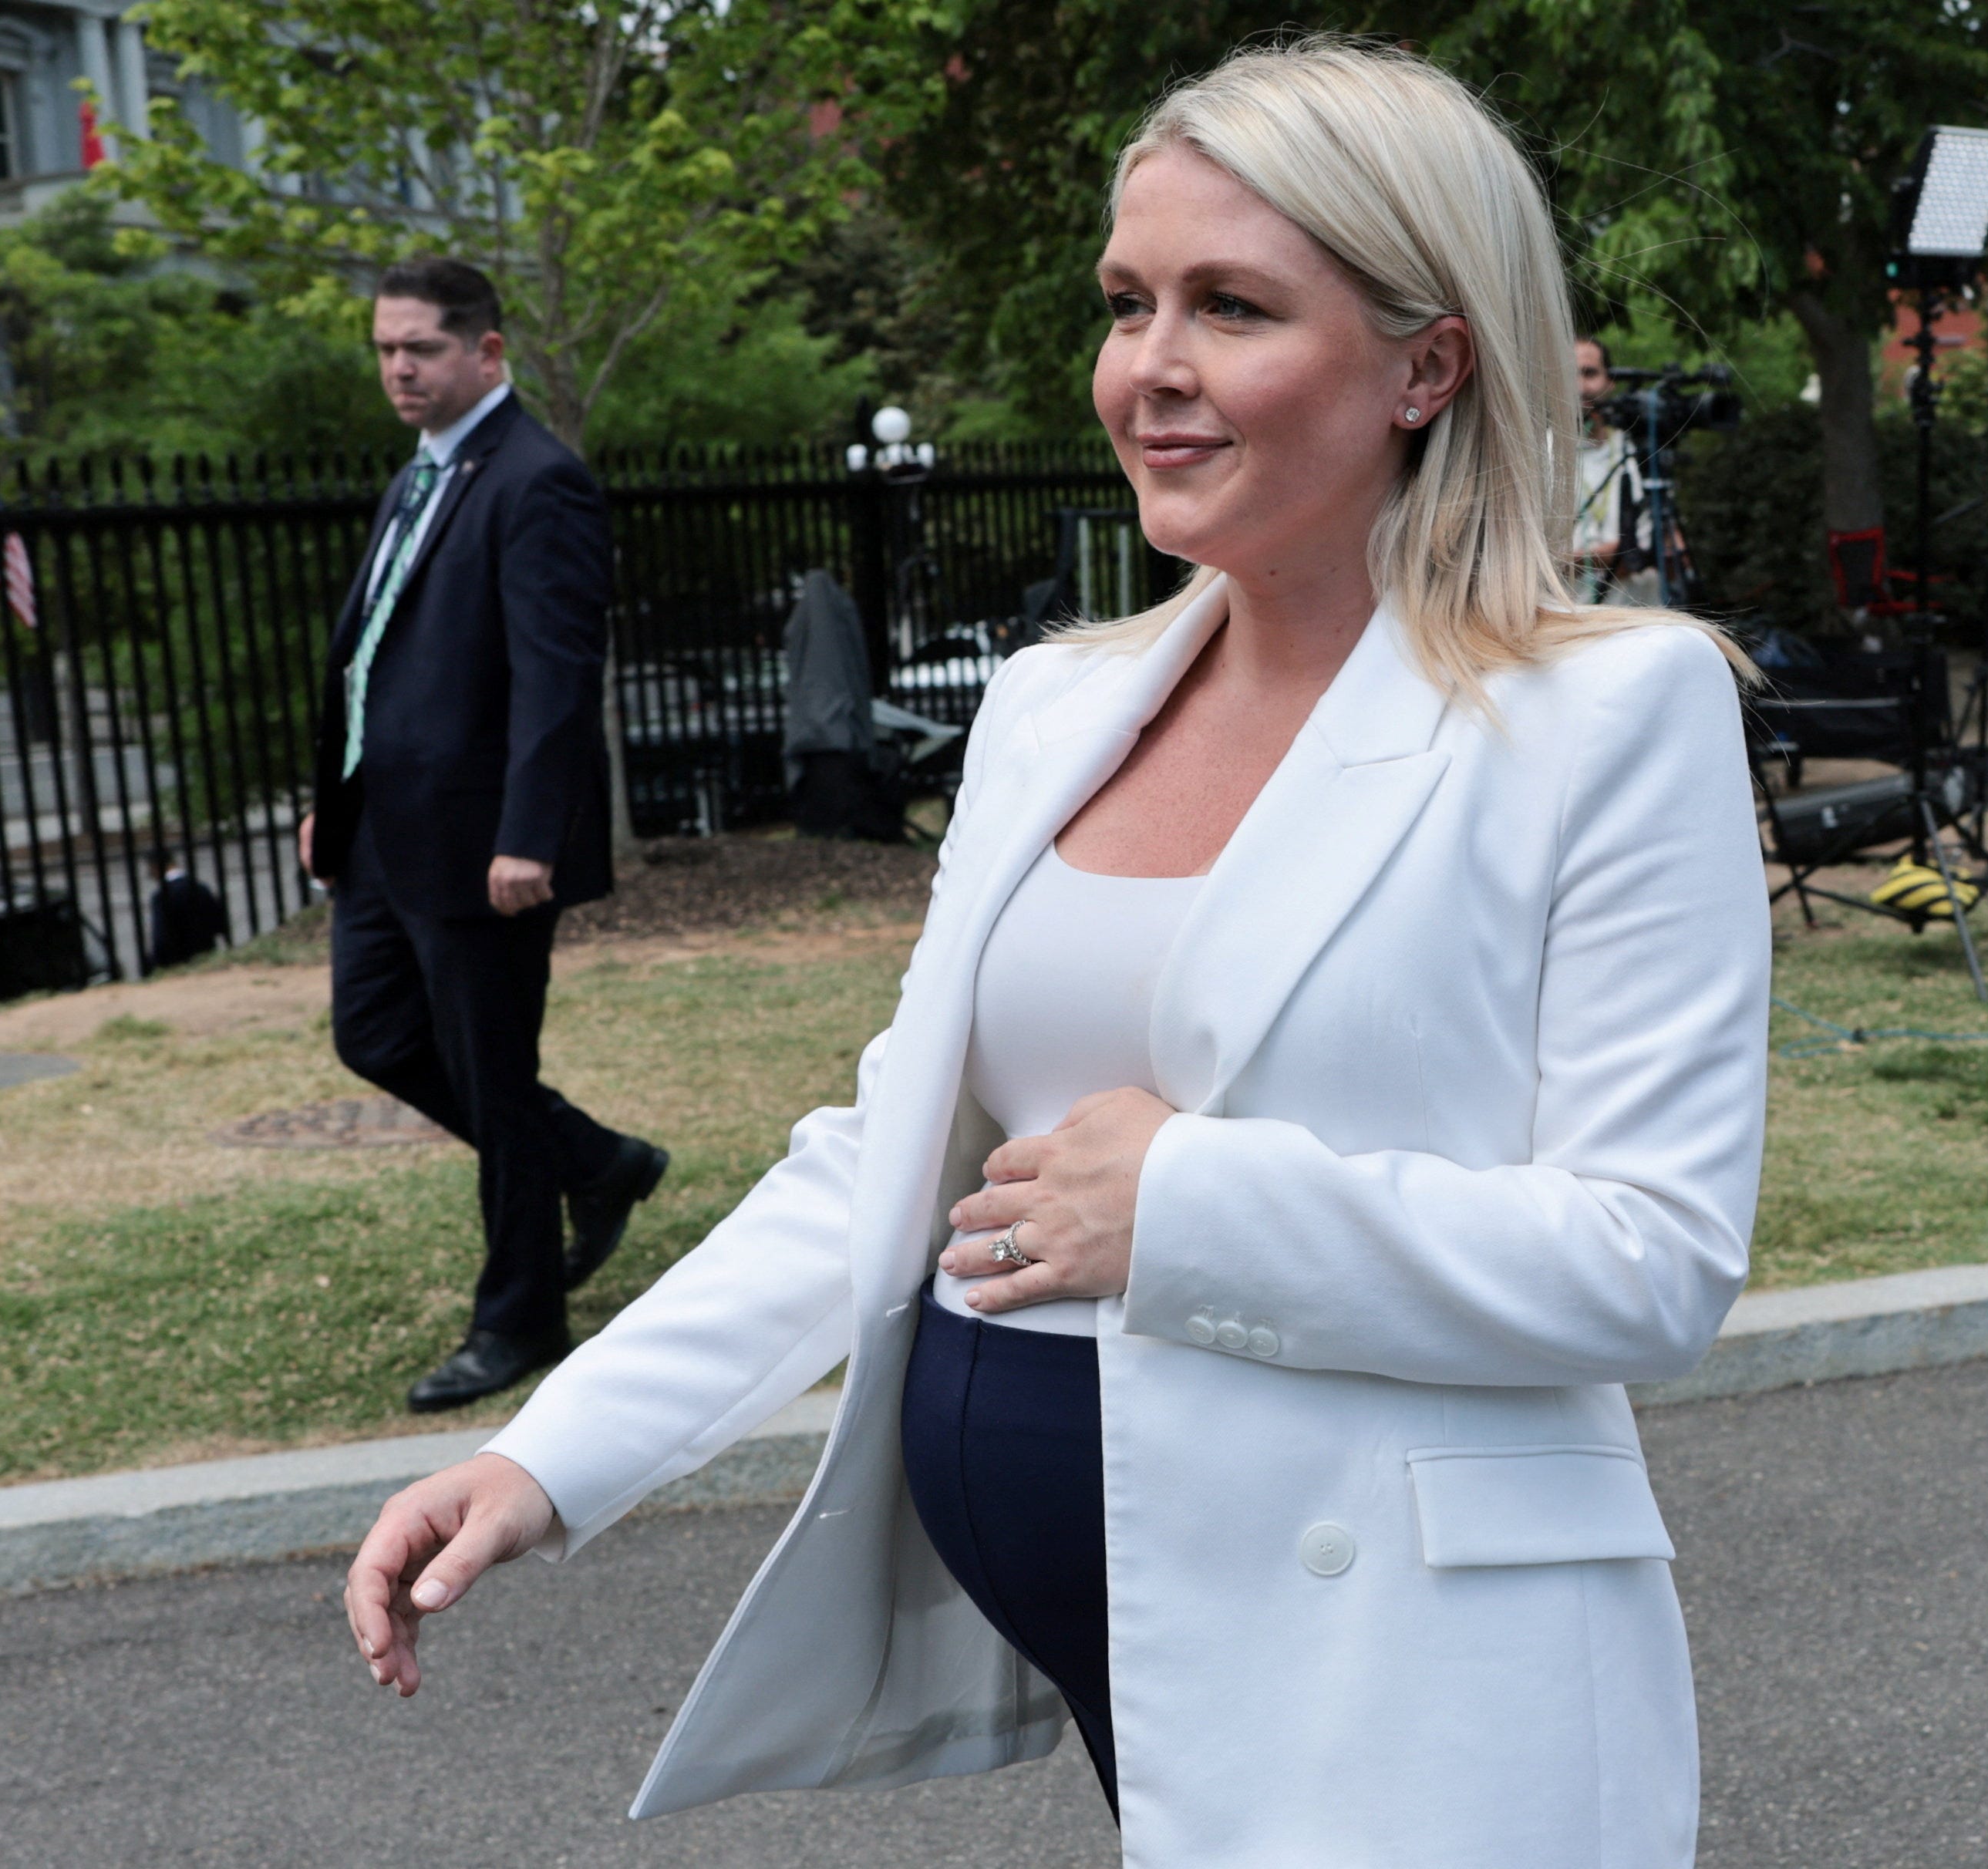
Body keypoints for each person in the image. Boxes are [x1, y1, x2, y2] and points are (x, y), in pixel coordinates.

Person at [344, 41, 1767, 1865]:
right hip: (1129, 1631)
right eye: (1127, 303)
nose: (1149, 369)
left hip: (1412, 1666)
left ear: (1427, 359)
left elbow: (1650, 1259)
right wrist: (553, 1457)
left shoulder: (1605, 709)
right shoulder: (1051, 702)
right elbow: (897, 1150)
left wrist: (1184, 1208)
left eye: (1231, 305)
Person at [298, 257, 669, 1411]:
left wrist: (530, 835)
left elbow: (557, 676)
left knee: (493, 1079)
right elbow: (373, 657)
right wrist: (332, 793)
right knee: (374, 1037)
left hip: (481, 845)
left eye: (421, 349)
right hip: (381, 832)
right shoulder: (419, 477)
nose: (399, 369)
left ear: (488, 353)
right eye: (385, 350)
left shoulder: (537, 480)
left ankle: (519, 1316)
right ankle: (596, 1162)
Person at [1571, 333, 1659, 604]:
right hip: (1572, 624)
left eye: (1590, 373)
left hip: (1641, 620)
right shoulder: (1538, 457)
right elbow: (1528, 561)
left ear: (1610, 382)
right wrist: (1619, 554)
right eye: (1569, 374)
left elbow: (1664, 542)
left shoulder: (1637, 450)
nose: (1580, 386)